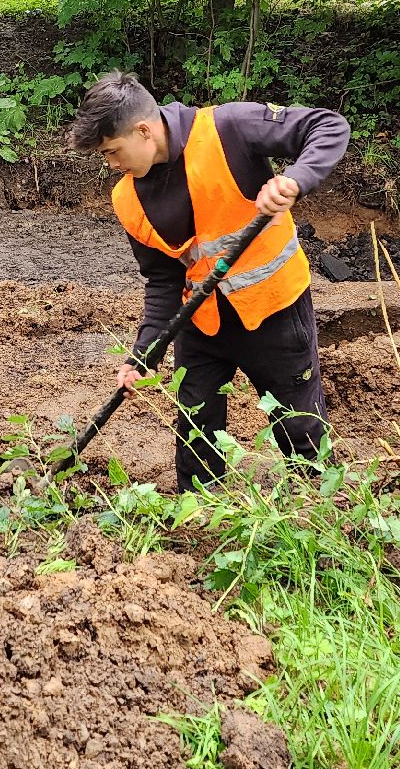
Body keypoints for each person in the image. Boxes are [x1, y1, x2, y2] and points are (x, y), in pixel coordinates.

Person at [69, 71, 349, 491]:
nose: (111, 164)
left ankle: (319, 508)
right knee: (195, 436)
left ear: (143, 131)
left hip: (274, 312)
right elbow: (163, 281)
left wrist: (295, 179)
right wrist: (142, 356)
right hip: (200, 324)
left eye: (112, 151)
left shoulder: (228, 128)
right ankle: (198, 512)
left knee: (300, 429)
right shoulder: (127, 199)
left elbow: (328, 126)